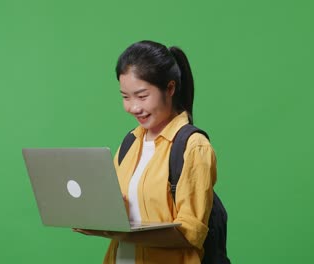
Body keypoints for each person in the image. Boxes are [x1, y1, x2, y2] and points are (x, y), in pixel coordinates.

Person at [74, 40, 217, 264]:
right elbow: (119, 209)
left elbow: (190, 234)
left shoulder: (193, 146)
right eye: (125, 97)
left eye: (142, 96)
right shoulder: (131, 142)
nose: (133, 107)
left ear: (170, 88)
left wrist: (116, 232)